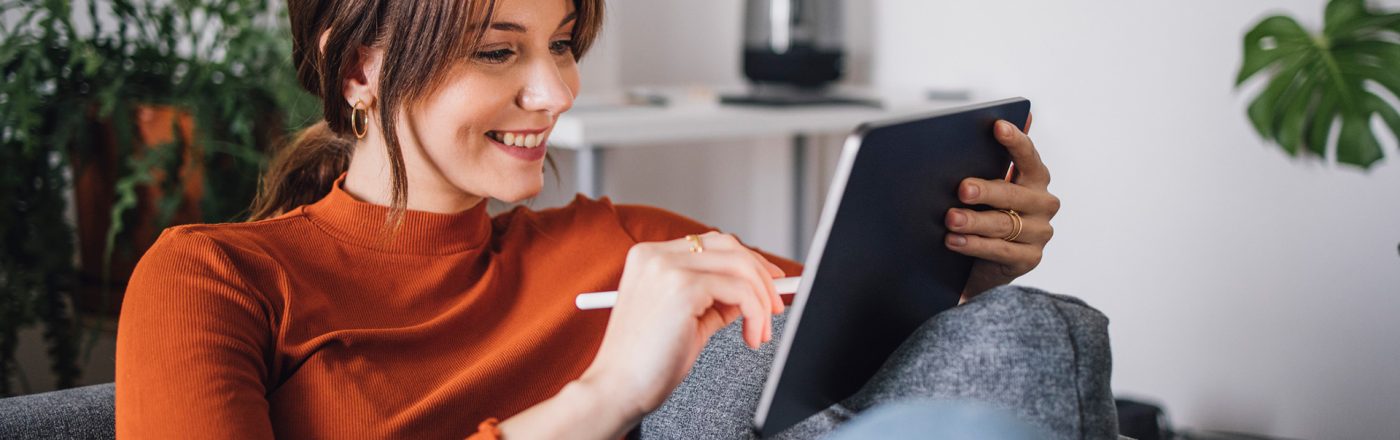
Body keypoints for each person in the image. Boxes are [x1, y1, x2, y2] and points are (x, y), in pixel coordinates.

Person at [114, 0, 1085, 438]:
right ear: (356, 66)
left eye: (565, 43)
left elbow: (860, 329)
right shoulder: (214, 277)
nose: (554, 92)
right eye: (498, 51)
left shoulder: (629, 245)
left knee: (1016, 341)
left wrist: (965, 263)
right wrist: (606, 393)